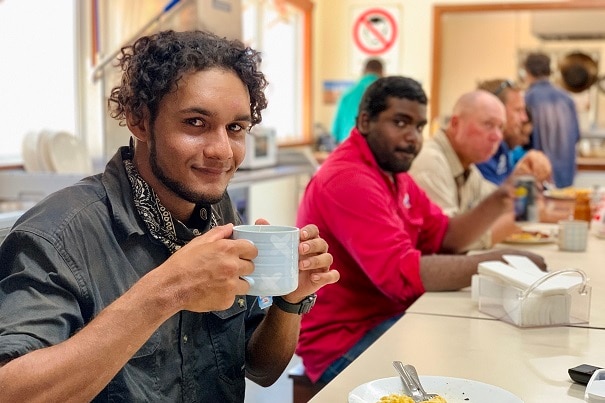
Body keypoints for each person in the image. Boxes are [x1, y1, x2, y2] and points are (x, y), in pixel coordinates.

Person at [0, 30, 339, 402]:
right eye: (196, 122)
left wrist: (290, 300)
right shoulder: (58, 233)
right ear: (139, 121)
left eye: (236, 128)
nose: (222, 151)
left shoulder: (215, 211)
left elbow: (261, 368)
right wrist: (167, 291)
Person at [295, 76, 546, 385]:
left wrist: (501, 197)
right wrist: (496, 261)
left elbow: (446, 237)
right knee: (477, 366)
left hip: (392, 319)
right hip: (345, 342)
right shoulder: (349, 179)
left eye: (418, 126)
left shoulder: (393, 173)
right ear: (364, 122)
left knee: (491, 351)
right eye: (400, 123)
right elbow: (402, 276)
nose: (413, 137)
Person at [410, 90, 519, 249]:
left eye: (501, 127)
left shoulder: (467, 166)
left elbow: (498, 202)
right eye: (488, 124)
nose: (497, 137)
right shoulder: (429, 162)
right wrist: (519, 219)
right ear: (455, 124)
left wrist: (523, 188)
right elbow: (446, 241)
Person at [475, 79, 552, 186]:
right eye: (518, 110)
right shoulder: (478, 152)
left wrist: (523, 173)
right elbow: (492, 198)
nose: (524, 118)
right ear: (497, 111)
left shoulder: (502, 147)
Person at [523, 52, 581, 188]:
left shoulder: (528, 98)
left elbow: (524, 139)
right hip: (566, 175)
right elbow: (577, 135)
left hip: (541, 175)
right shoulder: (567, 98)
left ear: (528, 72)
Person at [331, 58, 384, 144]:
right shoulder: (385, 93)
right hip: (373, 148)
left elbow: (335, 132)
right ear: (382, 72)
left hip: (347, 147)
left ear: (363, 72)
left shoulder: (346, 95)